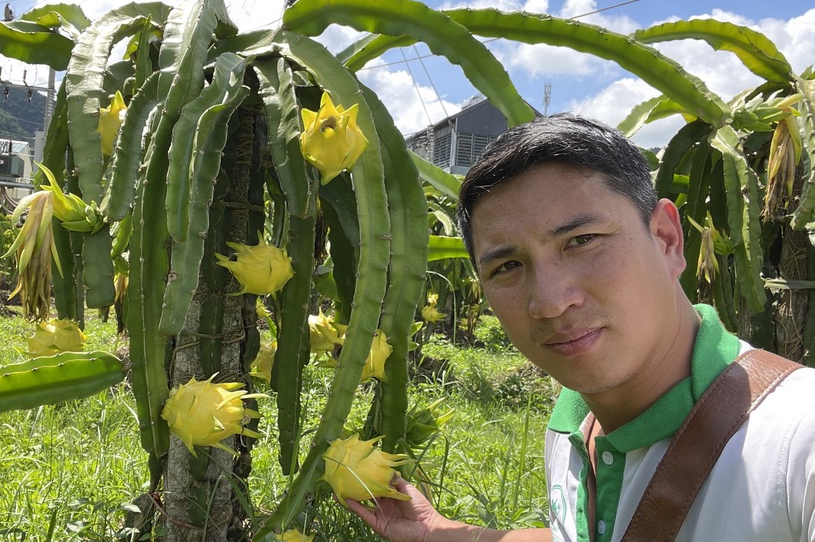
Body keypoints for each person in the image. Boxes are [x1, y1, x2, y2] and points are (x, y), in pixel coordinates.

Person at [347, 114, 815, 542]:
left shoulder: (799, 441)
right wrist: (440, 533)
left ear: (667, 239)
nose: (550, 302)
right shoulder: (572, 424)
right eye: (507, 266)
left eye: (583, 240)